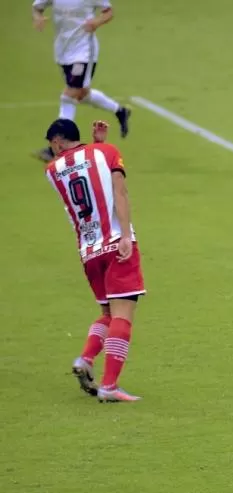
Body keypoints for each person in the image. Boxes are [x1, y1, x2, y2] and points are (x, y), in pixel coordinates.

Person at [44, 118, 144, 402]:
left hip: (89, 252)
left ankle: (86, 358)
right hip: (116, 243)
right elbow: (118, 191)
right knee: (123, 315)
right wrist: (125, 235)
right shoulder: (107, 152)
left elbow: (85, 179)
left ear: (57, 142)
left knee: (108, 314)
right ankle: (109, 387)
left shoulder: (52, 171)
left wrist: (97, 145)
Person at [31, 0, 131, 163]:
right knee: (82, 94)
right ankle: (120, 111)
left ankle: (57, 147)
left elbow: (108, 11)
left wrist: (96, 22)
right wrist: (38, 17)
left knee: (69, 95)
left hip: (84, 51)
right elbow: (37, 7)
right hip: (63, 51)